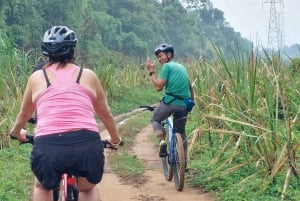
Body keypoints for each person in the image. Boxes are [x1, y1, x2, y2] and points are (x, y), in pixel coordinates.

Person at [10, 25, 121, 201]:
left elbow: (24, 114)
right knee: (87, 190)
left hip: (49, 146)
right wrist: (115, 139)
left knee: (42, 186)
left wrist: (16, 133)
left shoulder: (37, 77)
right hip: (86, 144)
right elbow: (105, 114)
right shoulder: (88, 75)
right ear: (73, 50)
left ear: (45, 52)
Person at [145, 43, 194, 169]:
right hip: (184, 104)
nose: (160, 59)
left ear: (169, 55)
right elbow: (190, 87)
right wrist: (191, 103)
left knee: (155, 119)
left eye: (161, 56)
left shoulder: (167, 66)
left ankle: (162, 141)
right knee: (181, 132)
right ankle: (184, 163)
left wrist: (151, 71)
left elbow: (158, 86)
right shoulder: (182, 67)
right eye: (158, 57)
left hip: (170, 103)